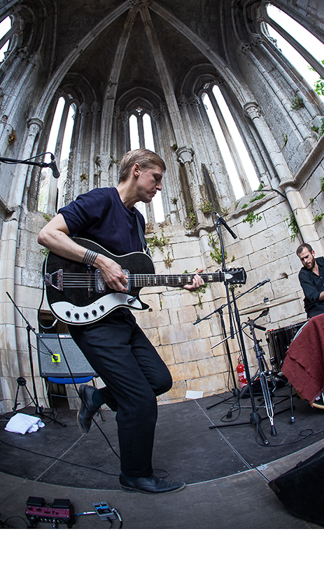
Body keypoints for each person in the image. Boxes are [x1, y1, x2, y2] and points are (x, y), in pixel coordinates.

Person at [38, 148, 204, 494]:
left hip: (119, 315)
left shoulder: (138, 222)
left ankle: (96, 398)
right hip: (88, 317)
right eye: (156, 178)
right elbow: (48, 235)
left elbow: (133, 278)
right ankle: (135, 474)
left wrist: (182, 281)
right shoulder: (101, 200)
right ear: (137, 170)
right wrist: (99, 261)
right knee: (139, 401)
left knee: (158, 380)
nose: (159, 187)